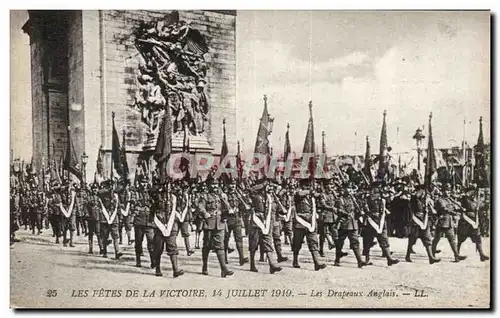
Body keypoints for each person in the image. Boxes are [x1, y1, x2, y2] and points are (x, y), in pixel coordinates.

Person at [196, 178, 234, 277]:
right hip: (209, 223)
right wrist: (205, 213)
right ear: (209, 185)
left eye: (216, 184)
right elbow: (200, 206)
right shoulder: (204, 196)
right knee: (207, 246)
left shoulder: (221, 196)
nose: (215, 186)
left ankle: (224, 269)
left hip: (220, 223)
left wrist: (226, 205)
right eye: (212, 184)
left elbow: (228, 207)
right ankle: (204, 266)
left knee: (220, 245)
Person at [150, 181, 185, 278]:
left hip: (171, 225)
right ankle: (157, 268)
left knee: (172, 247)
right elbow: (152, 209)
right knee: (158, 248)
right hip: (159, 226)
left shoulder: (173, 198)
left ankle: (175, 269)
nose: (167, 189)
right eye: (165, 187)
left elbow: (177, 210)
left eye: (169, 187)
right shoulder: (156, 197)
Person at [247, 178, 282, 274]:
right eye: (267, 185)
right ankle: (252, 264)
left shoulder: (269, 197)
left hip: (266, 221)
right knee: (254, 243)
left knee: (268, 242)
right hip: (256, 220)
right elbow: (251, 189)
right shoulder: (255, 195)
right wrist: (264, 183)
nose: (269, 187)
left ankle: (272, 264)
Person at [362, 181, 399, 266]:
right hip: (370, 223)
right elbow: (365, 209)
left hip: (381, 222)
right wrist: (370, 213)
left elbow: (383, 210)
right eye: (377, 188)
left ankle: (389, 259)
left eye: (379, 188)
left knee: (384, 240)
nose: (379, 190)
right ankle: (367, 259)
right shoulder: (367, 199)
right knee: (367, 241)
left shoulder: (381, 199)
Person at [292, 179, 326, 271]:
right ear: (302, 186)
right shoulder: (298, 194)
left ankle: (316, 263)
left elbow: (320, 198)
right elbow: (299, 194)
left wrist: (320, 191)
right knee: (297, 243)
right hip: (301, 221)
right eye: (306, 185)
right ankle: (295, 260)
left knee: (313, 242)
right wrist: (309, 191)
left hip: (310, 221)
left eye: (309, 185)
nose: (309, 187)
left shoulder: (312, 196)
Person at [431, 183, 467, 263]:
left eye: (449, 191)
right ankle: (432, 254)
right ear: (443, 191)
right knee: (436, 239)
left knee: (452, 239)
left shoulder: (449, 199)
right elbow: (445, 209)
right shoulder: (440, 200)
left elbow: (453, 207)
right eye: (446, 191)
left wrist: (460, 209)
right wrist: (454, 212)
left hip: (449, 222)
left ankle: (456, 256)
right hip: (442, 222)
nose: (448, 192)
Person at [334, 183, 367, 268]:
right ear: (343, 190)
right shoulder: (339, 199)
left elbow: (357, 209)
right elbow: (339, 210)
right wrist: (346, 213)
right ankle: (337, 260)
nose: (349, 190)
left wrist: (360, 212)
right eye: (347, 188)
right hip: (344, 223)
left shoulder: (353, 199)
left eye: (350, 189)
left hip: (353, 223)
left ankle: (359, 261)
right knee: (340, 242)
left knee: (355, 242)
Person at [405, 184, 441, 264]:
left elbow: (429, 209)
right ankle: (407, 255)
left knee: (427, 238)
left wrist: (429, 207)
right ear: (419, 190)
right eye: (423, 191)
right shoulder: (414, 198)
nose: (424, 192)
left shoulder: (425, 199)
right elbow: (411, 210)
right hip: (416, 221)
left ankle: (431, 258)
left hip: (424, 220)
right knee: (412, 239)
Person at [221, 179, 249, 266]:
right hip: (227, 220)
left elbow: (242, 206)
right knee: (225, 239)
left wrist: (243, 206)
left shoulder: (237, 195)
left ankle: (241, 258)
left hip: (237, 219)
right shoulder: (224, 195)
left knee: (239, 239)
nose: (233, 186)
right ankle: (224, 258)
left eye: (234, 184)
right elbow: (221, 207)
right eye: (231, 184)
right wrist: (227, 210)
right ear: (228, 185)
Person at [457, 187, 489, 262]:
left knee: (478, 238)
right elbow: (465, 197)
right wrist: (472, 191)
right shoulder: (465, 199)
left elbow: (481, 207)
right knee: (461, 240)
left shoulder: (474, 201)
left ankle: (482, 255)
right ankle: (456, 254)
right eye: (472, 192)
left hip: (474, 222)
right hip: (465, 222)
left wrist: (485, 204)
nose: (474, 194)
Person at [131, 176, 155, 268]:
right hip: (139, 221)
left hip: (149, 221)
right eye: (142, 182)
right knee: (138, 241)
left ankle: (153, 261)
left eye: (146, 182)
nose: (144, 184)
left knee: (151, 241)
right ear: (139, 183)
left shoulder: (151, 193)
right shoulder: (135, 193)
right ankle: (138, 260)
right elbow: (133, 205)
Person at [98, 180, 122, 259]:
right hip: (105, 217)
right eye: (110, 186)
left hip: (114, 217)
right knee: (105, 235)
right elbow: (99, 192)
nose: (112, 187)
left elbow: (118, 207)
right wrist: (107, 191)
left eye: (113, 186)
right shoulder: (103, 194)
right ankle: (104, 251)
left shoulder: (115, 195)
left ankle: (117, 252)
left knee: (115, 235)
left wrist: (120, 217)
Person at [86, 183, 103, 255]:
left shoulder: (100, 198)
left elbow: (102, 207)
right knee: (91, 233)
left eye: (96, 189)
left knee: (99, 233)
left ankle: (101, 248)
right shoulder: (88, 197)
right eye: (93, 189)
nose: (95, 190)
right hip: (91, 218)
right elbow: (85, 206)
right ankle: (90, 248)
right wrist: (87, 214)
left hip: (98, 217)